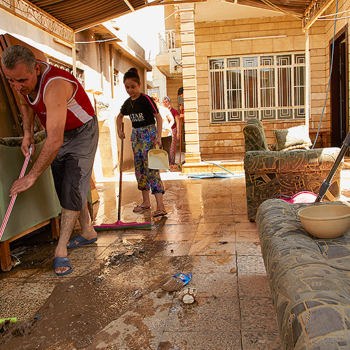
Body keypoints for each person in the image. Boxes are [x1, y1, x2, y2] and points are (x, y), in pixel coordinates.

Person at [1, 45, 99, 277]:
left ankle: (60, 249)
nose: (17, 86)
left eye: (21, 80)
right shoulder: (20, 79)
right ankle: (87, 231)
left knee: (73, 184)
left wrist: (31, 176)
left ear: (36, 68)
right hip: (59, 131)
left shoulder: (54, 85)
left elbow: (53, 141)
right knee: (64, 184)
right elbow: (25, 104)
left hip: (82, 131)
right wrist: (27, 134)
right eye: (10, 81)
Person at [116, 68, 167, 217]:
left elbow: (158, 117)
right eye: (127, 87)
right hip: (136, 137)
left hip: (148, 135)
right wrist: (119, 130)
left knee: (152, 169)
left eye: (133, 87)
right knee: (139, 170)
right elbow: (119, 117)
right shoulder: (127, 103)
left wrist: (158, 136)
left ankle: (161, 206)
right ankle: (146, 202)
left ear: (139, 85)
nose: (130, 90)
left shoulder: (146, 99)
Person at [151, 93, 173, 165]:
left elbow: (172, 120)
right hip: (156, 135)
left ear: (158, 101)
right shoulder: (150, 112)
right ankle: (159, 166)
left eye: (155, 102)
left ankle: (167, 166)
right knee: (157, 151)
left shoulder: (164, 110)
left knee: (166, 151)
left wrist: (169, 127)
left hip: (166, 134)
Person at [163, 96, 179, 167]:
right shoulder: (162, 110)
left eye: (166, 102)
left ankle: (172, 163)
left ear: (169, 102)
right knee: (165, 147)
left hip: (172, 130)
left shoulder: (174, 111)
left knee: (172, 147)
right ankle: (165, 163)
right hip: (165, 130)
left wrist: (178, 132)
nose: (165, 103)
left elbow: (177, 122)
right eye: (164, 102)